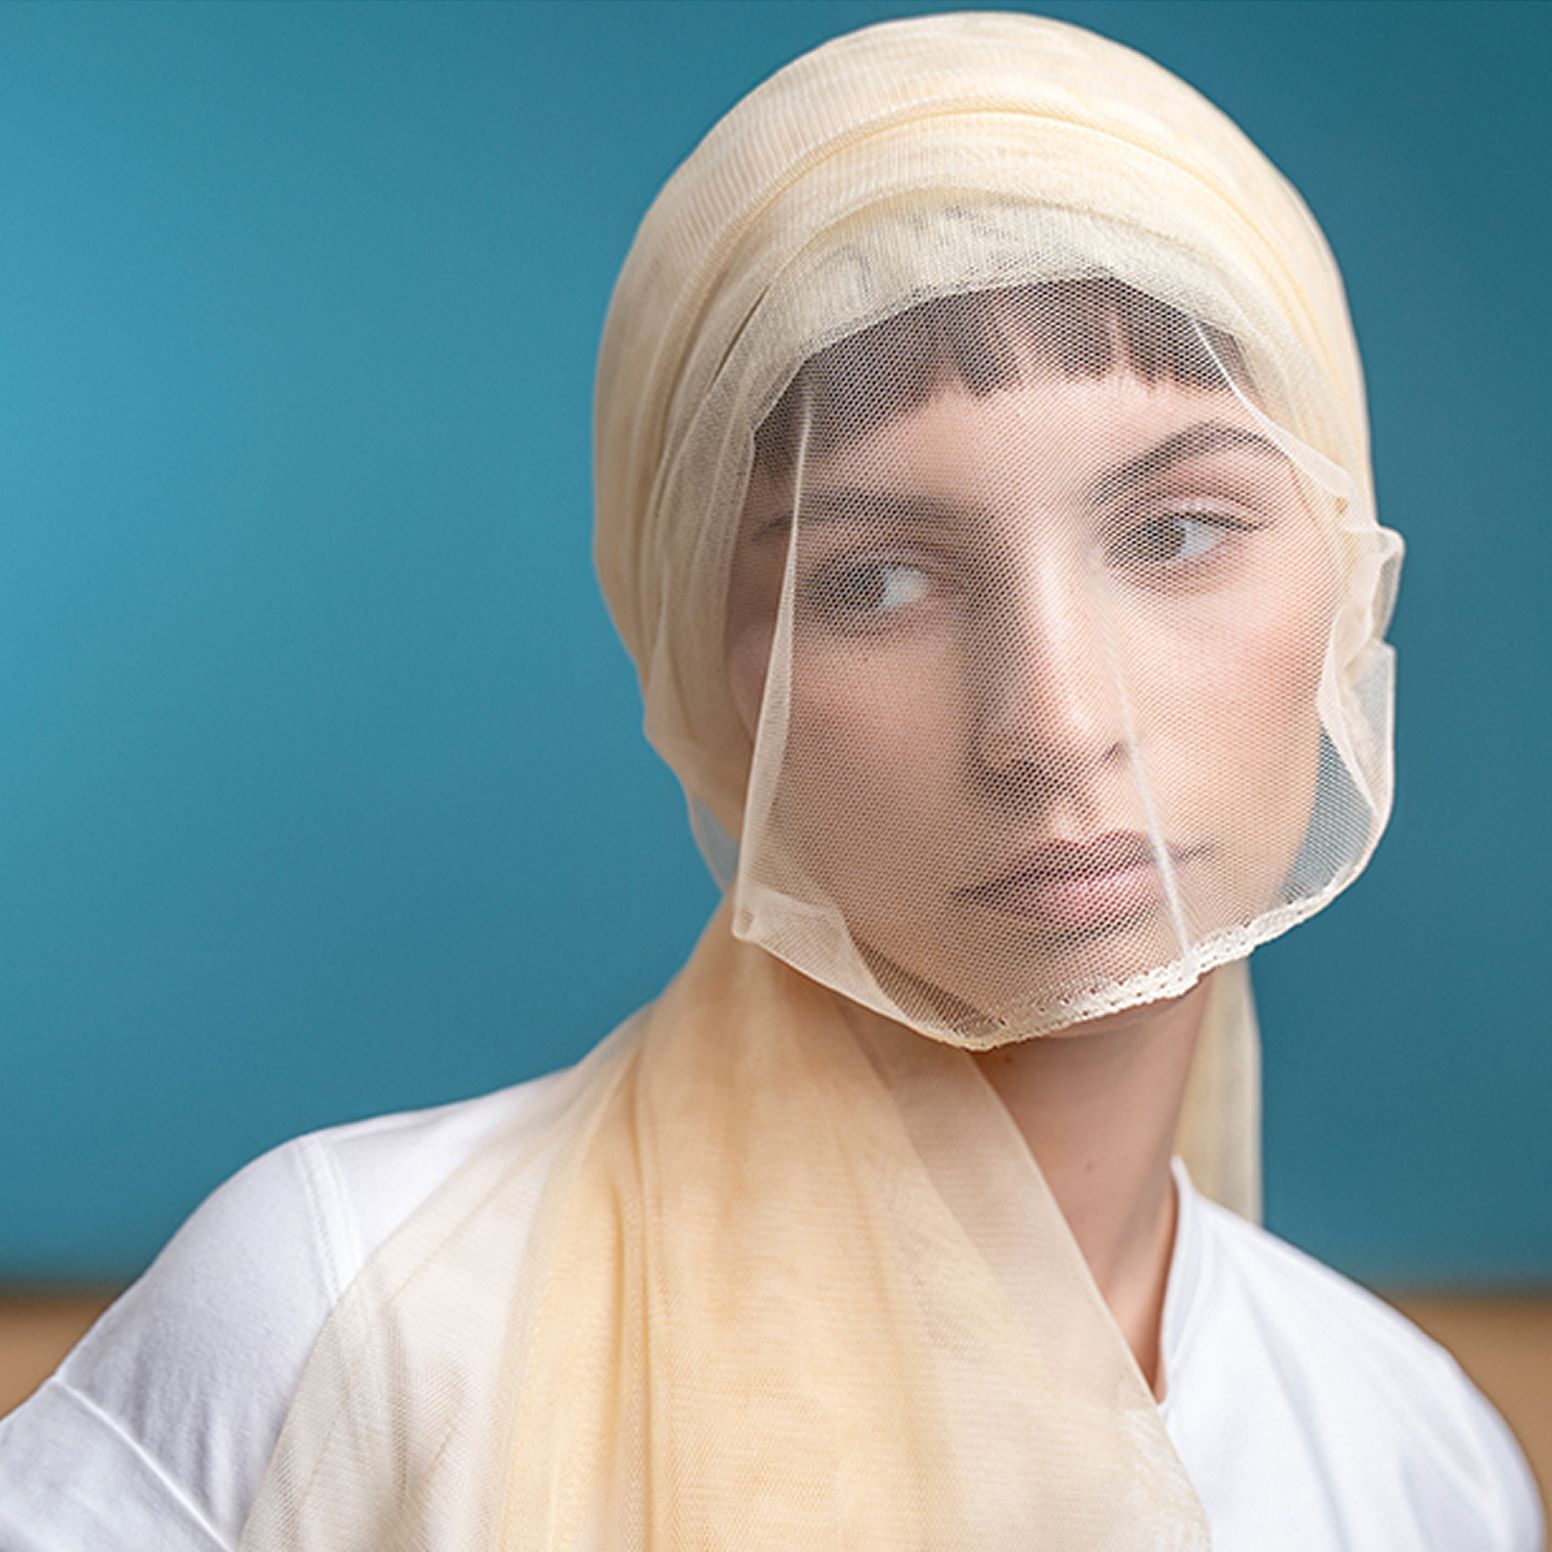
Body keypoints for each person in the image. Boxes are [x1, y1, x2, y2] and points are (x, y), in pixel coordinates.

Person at [0, 12, 1542, 1549]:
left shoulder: (1411, 1463)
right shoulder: (341, 1319)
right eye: (874, 582)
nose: (1057, 723)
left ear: (1349, 580)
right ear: (711, 678)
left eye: (1176, 534)